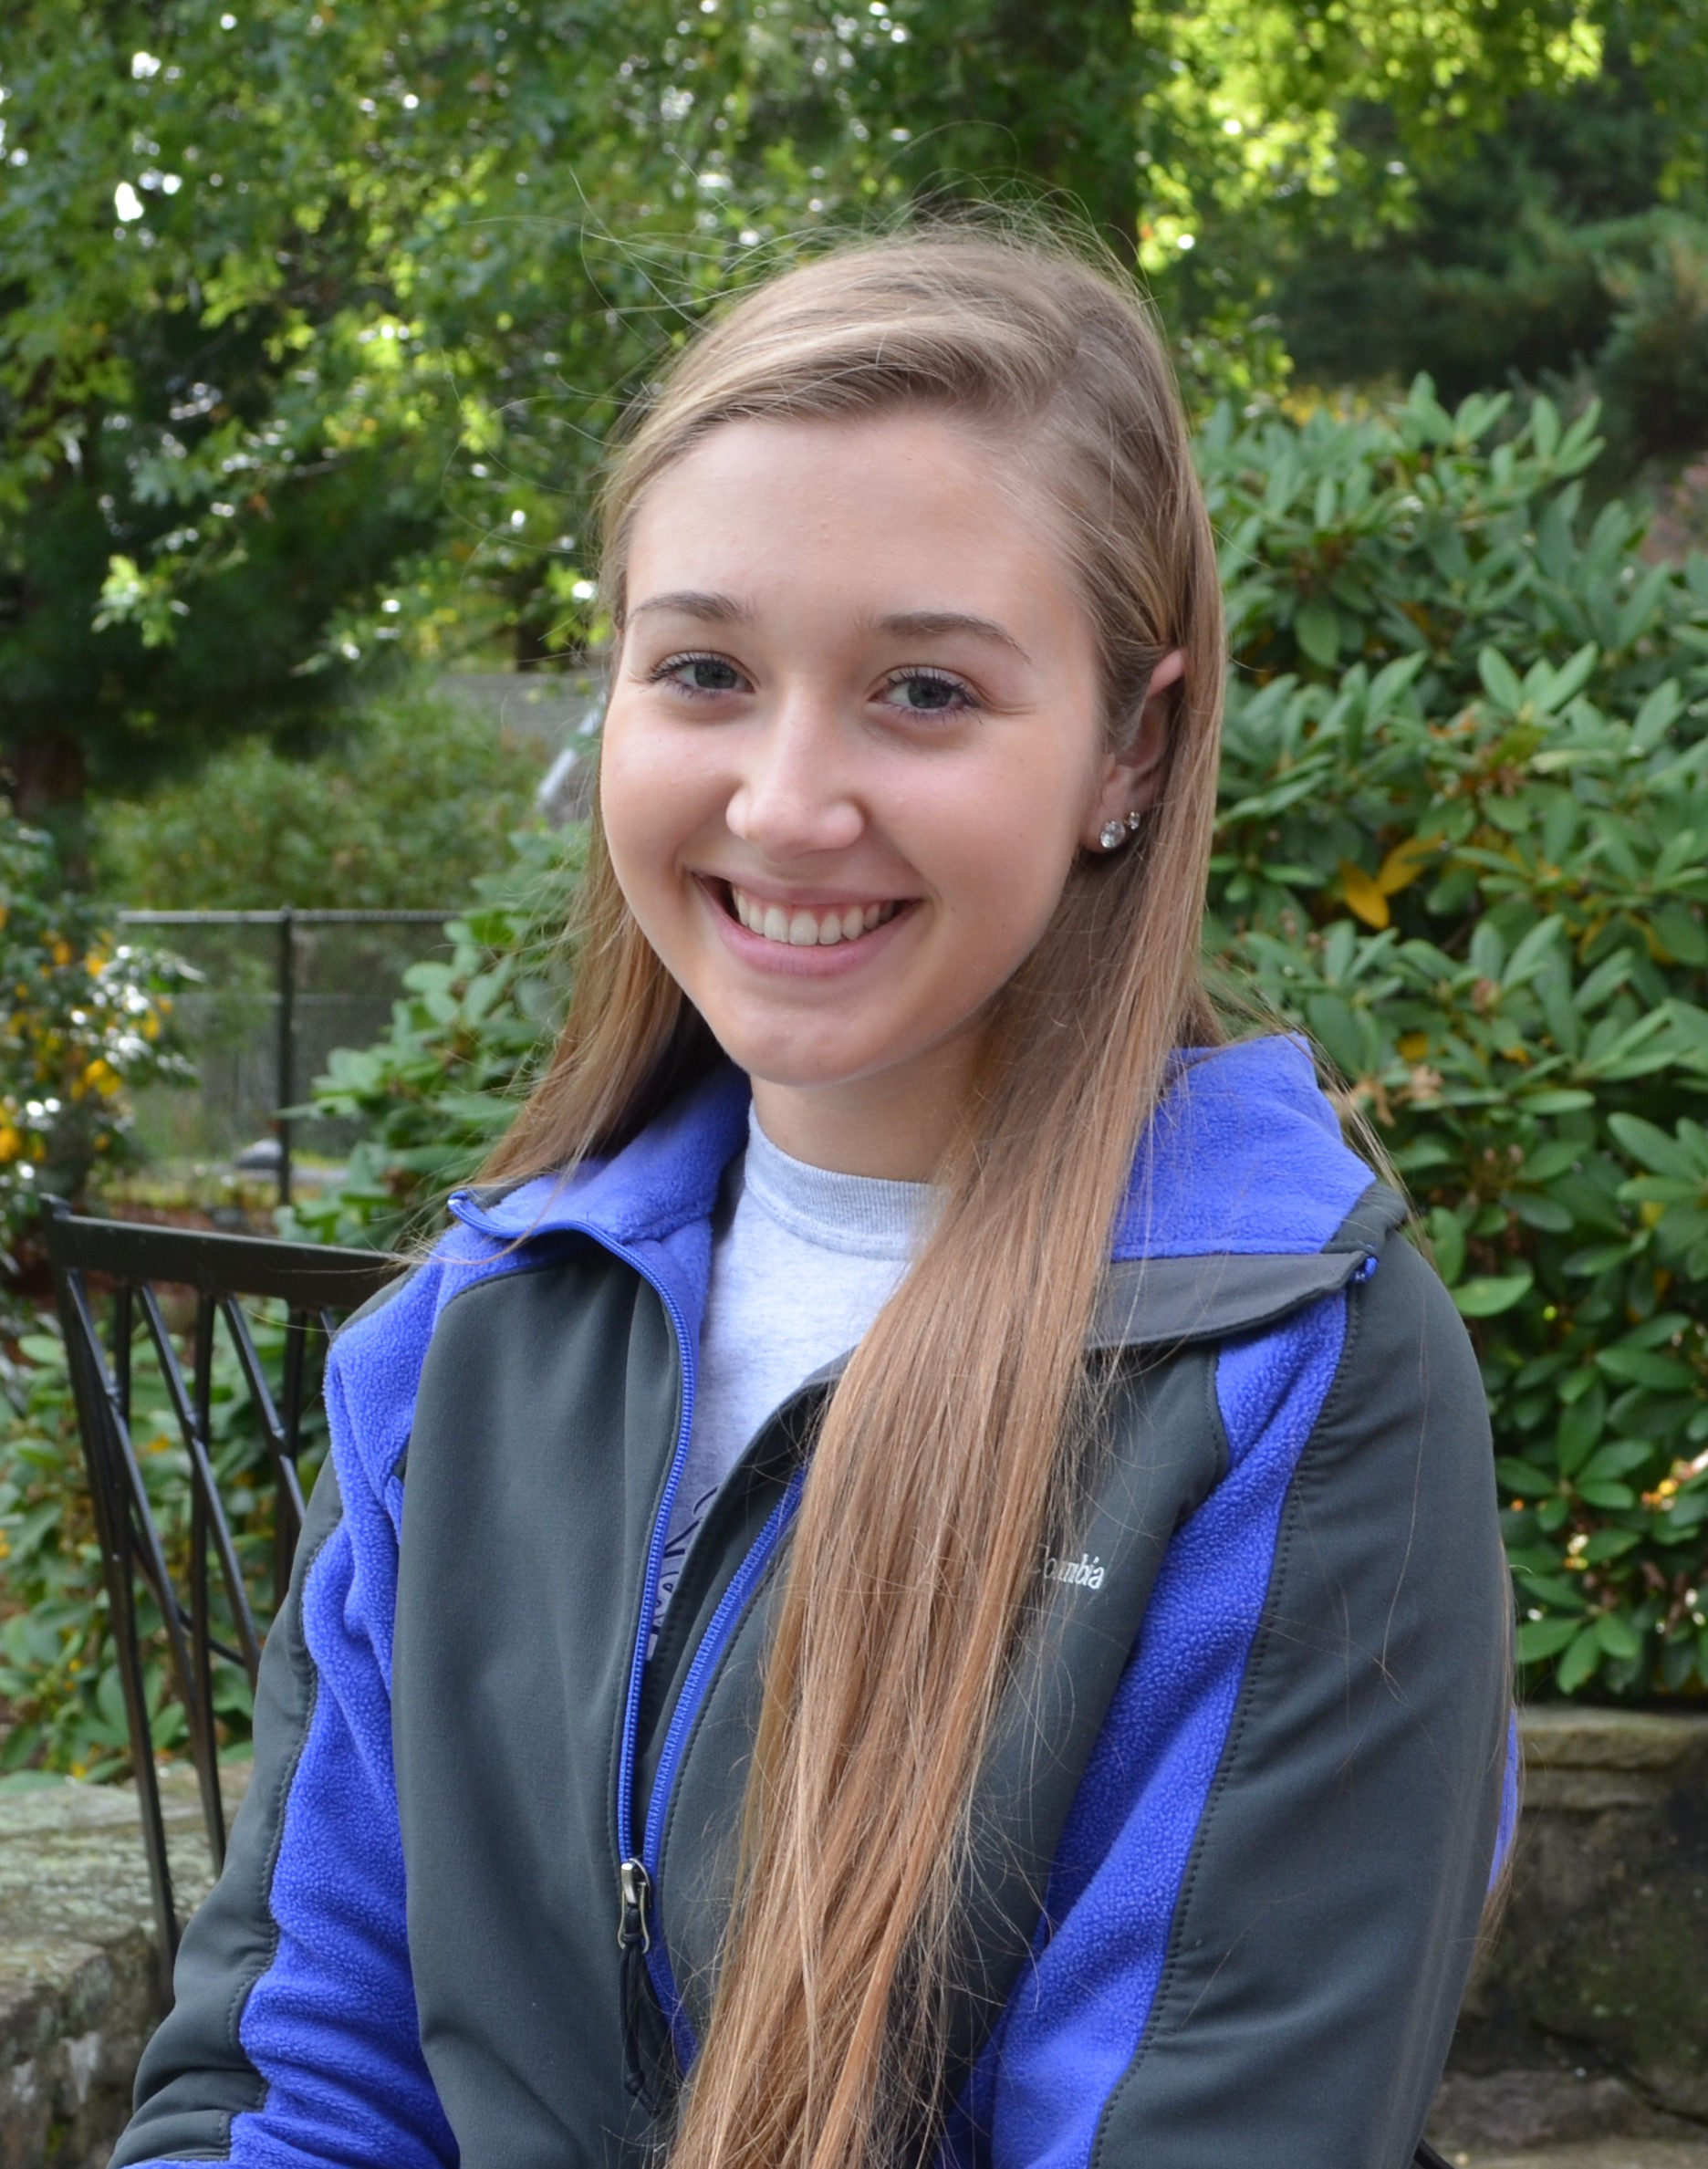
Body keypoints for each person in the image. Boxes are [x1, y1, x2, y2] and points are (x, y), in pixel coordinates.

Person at [112, 230, 1515, 2169]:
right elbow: (300, 2079)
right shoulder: (461, 1353)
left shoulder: (1284, 1383)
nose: (784, 802)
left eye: (923, 689)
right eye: (704, 668)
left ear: (1132, 742)